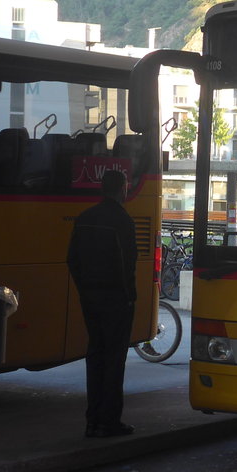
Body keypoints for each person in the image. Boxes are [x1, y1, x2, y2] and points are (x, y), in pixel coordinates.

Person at [66, 168, 137, 439]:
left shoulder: (84, 218)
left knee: (95, 355)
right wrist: (128, 296)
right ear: (122, 189)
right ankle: (109, 421)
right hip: (116, 299)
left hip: (90, 298)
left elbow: (72, 259)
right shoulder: (122, 221)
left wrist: (85, 289)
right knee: (114, 359)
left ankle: (92, 420)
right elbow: (127, 264)